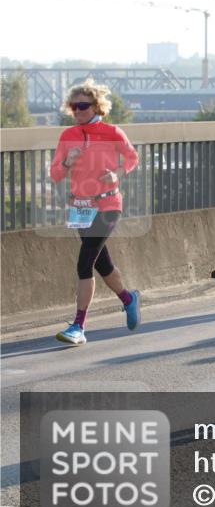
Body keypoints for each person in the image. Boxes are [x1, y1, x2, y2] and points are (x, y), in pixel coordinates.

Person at [49, 80, 141, 345]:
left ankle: (78, 326)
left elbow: (132, 158)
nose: (77, 111)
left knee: (84, 262)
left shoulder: (113, 132)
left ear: (96, 106)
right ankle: (128, 298)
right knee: (102, 264)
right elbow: (55, 174)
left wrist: (118, 173)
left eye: (83, 106)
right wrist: (68, 161)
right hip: (80, 208)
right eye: (73, 106)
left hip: (108, 205)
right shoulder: (68, 136)